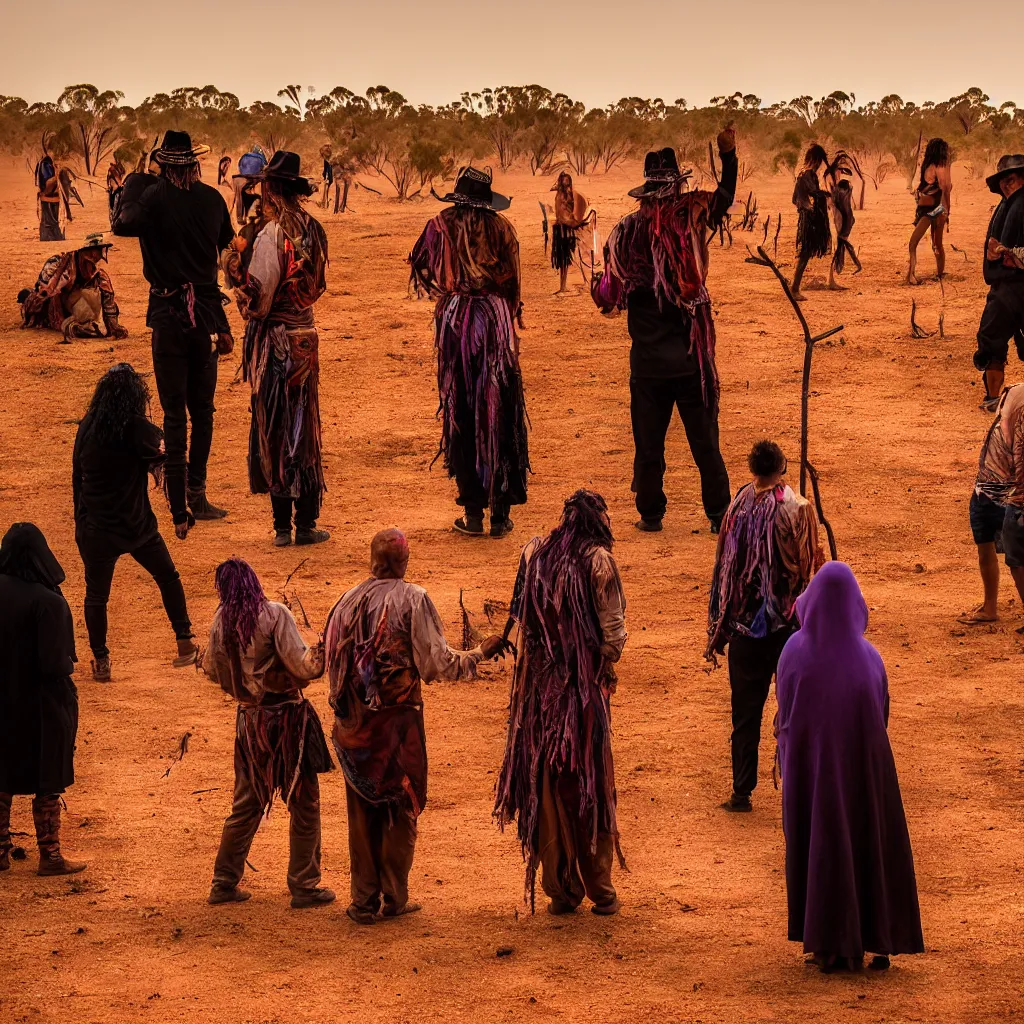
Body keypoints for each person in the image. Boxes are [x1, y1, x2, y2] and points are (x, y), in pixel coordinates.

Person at [325, 529, 504, 924]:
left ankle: (363, 899)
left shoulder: (345, 600)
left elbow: (330, 664)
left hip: (353, 726)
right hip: (397, 724)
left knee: (361, 810)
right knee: (401, 805)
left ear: (373, 560)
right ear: (404, 563)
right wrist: (479, 654)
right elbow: (435, 664)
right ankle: (393, 896)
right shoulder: (413, 599)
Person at [776, 561, 925, 973]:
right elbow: (881, 714)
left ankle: (828, 943)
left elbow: (785, 714)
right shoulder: (870, 658)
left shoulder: (793, 652)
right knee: (866, 844)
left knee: (822, 845)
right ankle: (876, 937)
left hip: (811, 770)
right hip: (865, 772)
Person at [592, 128, 737, 533]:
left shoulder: (625, 233)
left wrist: (596, 288)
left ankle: (651, 514)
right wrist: (729, 158)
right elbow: (724, 199)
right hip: (691, 359)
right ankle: (718, 514)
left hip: (649, 362)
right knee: (705, 441)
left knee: (649, 443)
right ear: (676, 187)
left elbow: (609, 295)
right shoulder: (689, 217)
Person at [494, 489, 627, 916]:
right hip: (579, 695)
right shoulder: (598, 562)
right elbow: (613, 631)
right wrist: (605, 667)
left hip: (536, 693)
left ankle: (560, 888)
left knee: (546, 784)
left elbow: (519, 614)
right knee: (585, 786)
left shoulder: (534, 552)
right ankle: (600, 890)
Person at [111, 129, 236, 536]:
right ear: (196, 164)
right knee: (203, 411)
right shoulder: (214, 200)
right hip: (207, 314)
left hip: (167, 313)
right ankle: (196, 493)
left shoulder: (152, 199)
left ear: (163, 165)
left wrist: (137, 179)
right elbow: (226, 248)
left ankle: (179, 507)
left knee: (173, 414)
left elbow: (121, 221)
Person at [202, 558, 335, 908]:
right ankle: (304, 885)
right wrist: (325, 649)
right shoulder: (274, 614)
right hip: (288, 722)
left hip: (249, 724)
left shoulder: (220, 622)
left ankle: (223, 882)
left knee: (247, 804)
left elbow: (211, 670)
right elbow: (303, 665)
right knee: (304, 802)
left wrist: (246, 684)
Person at [409, 167, 529, 537]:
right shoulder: (501, 229)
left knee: (461, 407)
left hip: (456, 322)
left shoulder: (440, 224)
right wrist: (506, 315)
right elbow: (514, 282)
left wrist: (447, 291)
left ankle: (473, 511)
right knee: (499, 407)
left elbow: (418, 263)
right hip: (493, 322)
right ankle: (500, 514)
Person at [222, 151, 330, 546]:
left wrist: (232, 265)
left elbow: (259, 297)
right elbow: (315, 285)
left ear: (269, 189)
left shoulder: (272, 233)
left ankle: (284, 526)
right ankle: (305, 523)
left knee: (277, 427)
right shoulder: (315, 229)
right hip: (306, 338)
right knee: (305, 432)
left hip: (277, 344)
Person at [705, 440, 820, 812]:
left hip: (742, 625)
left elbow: (723, 564)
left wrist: (719, 622)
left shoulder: (738, 505)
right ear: (782, 467)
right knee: (797, 710)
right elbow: (807, 566)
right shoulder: (797, 508)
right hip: (788, 628)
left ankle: (742, 791)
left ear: (753, 468)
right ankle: (801, 787)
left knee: (745, 713)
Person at [73, 364, 197, 681]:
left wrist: (81, 526)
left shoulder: (87, 426)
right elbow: (169, 460)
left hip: (97, 529)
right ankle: (185, 645)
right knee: (168, 577)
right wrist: (180, 514)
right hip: (137, 527)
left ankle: (101, 662)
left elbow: (77, 479)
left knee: (96, 596)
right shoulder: (136, 427)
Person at [0, 523, 86, 876]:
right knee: (48, 778)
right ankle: (50, 856)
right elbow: (54, 664)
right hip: (41, 705)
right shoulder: (48, 601)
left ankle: (0, 852)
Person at [962, 382, 1024, 625]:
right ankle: (989, 606)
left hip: (1011, 491)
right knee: (985, 541)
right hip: (987, 485)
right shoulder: (1015, 391)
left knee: (1016, 557)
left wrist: (1019, 498)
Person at [972, 154, 1024, 411]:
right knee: (992, 340)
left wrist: (1010, 254)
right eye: (1003, 180)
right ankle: (993, 397)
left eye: (1011, 179)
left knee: (994, 338)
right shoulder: (1005, 206)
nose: (1006, 185)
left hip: (1017, 285)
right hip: (1003, 288)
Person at [17, 233, 129, 343]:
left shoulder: (98, 274)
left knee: (110, 311)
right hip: (53, 305)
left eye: (100, 250)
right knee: (31, 300)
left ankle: (78, 324)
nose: (98, 255)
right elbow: (43, 292)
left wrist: (113, 327)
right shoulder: (58, 263)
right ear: (87, 252)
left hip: (75, 307)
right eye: (97, 250)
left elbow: (108, 303)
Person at [907, 138, 952, 286]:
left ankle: (912, 275)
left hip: (932, 211)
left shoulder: (937, 168)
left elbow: (946, 189)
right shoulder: (936, 166)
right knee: (937, 244)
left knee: (914, 242)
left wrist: (946, 210)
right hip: (933, 210)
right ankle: (939, 275)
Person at [790, 145, 832, 300]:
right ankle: (794, 289)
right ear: (814, 159)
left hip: (811, 217)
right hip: (809, 219)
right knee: (805, 253)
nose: (819, 164)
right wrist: (810, 206)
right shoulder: (806, 175)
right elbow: (797, 198)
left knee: (805, 254)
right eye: (819, 161)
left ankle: (794, 287)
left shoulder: (809, 175)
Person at [824, 153, 862, 290]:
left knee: (840, 243)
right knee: (837, 243)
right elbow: (831, 196)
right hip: (835, 211)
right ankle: (831, 279)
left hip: (840, 211)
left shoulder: (835, 173)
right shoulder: (831, 175)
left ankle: (832, 277)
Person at [550, 171, 588, 295]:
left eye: (567, 180)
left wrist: (575, 223)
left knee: (566, 258)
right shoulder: (561, 194)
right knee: (562, 259)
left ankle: (564, 285)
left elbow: (572, 212)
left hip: (566, 228)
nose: (566, 183)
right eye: (563, 180)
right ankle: (562, 286)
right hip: (561, 228)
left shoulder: (569, 194)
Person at [34, 149, 65, 241]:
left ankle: (56, 236)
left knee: (54, 221)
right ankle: (50, 237)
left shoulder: (50, 164)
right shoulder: (45, 164)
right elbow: (48, 184)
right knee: (49, 222)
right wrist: (58, 176)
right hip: (48, 199)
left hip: (54, 199)